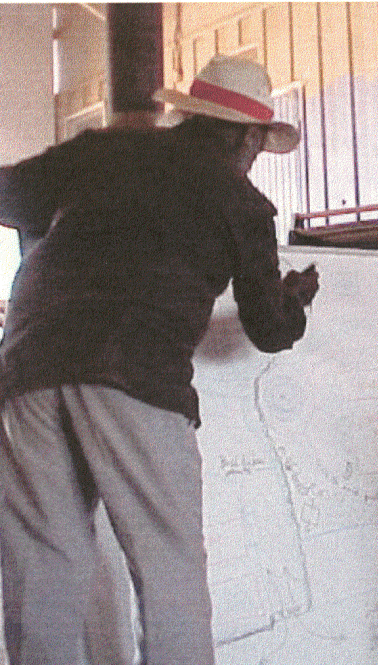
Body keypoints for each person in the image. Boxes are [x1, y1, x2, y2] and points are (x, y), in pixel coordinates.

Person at [0, 55, 318, 665]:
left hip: (28, 365)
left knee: (44, 566)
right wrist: (295, 301)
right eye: (258, 145)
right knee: (169, 569)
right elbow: (269, 330)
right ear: (250, 138)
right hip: (135, 377)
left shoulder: (101, 151)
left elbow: (10, 196)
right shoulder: (243, 206)